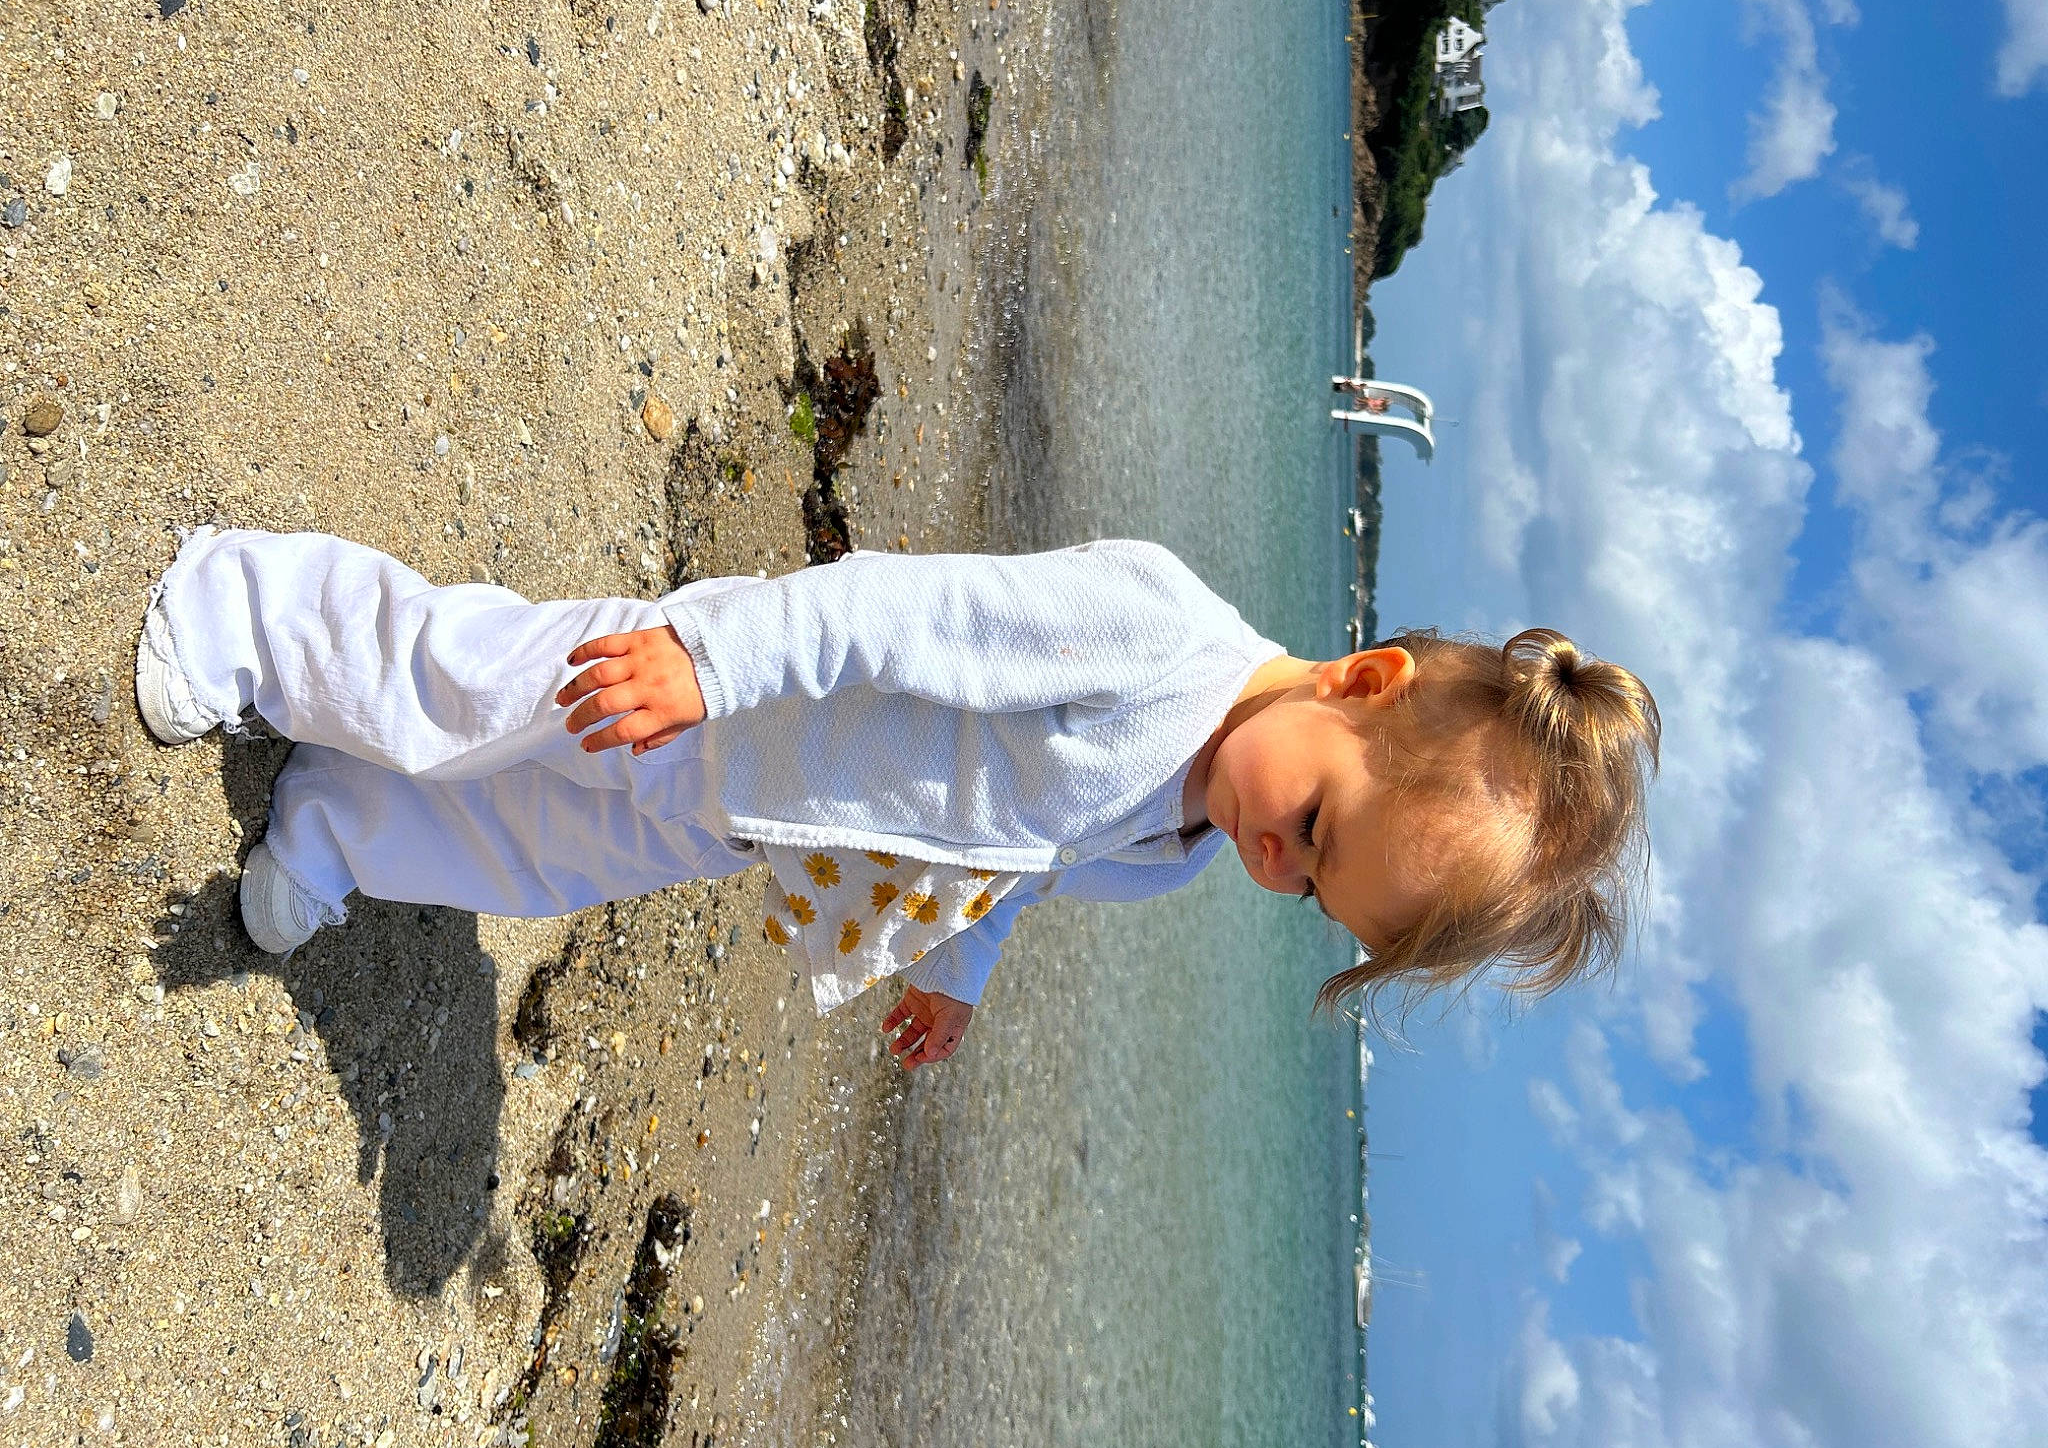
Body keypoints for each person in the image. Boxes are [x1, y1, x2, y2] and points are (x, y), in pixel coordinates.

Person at [135, 527, 1659, 1068]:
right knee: (468, 687)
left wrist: (963, 971)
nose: (1277, 859)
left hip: (746, 817)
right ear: (1365, 684)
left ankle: (330, 819)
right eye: (1315, 826)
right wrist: (706, 657)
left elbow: (1028, 864)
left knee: (531, 858)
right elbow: (896, 610)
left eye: (1311, 888)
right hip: (726, 697)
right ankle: (240, 606)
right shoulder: (1157, 635)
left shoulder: (1188, 842)